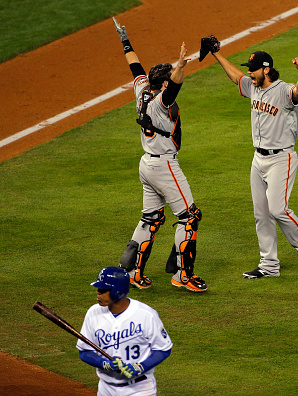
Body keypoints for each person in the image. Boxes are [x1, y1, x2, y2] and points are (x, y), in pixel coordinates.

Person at [205, 37, 298, 278]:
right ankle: (269, 266)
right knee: (261, 214)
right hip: (258, 161)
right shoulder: (253, 86)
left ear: (266, 69)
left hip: (281, 159)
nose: (250, 74)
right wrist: (216, 54)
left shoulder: (283, 90)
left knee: (278, 209)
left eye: (253, 70)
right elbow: (236, 76)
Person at [112, 17, 207, 292]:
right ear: (163, 84)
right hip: (165, 166)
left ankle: (132, 272)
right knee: (189, 216)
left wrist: (125, 40)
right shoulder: (161, 102)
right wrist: (180, 64)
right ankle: (182, 275)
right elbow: (175, 85)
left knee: (151, 218)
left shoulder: (142, 91)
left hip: (146, 165)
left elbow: (135, 67)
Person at [77, 267, 173, 395]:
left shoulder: (145, 315)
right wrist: (104, 363)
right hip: (106, 389)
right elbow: (84, 351)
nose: (98, 293)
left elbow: (163, 348)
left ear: (118, 291)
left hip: (139, 389)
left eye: (103, 290)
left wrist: (140, 367)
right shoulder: (93, 313)